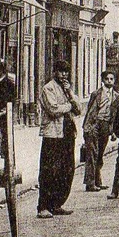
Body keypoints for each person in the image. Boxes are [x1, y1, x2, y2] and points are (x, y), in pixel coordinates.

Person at [37, 60, 81, 218]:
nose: (64, 75)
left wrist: (70, 94)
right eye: (61, 71)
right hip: (53, 134)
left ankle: (57, 203)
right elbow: (53, 109)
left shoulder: (67, 89)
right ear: (55, 72)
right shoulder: (48, 88)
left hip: (68, 133)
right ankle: (43, 206)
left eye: (66, 72)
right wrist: (69, 105)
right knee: (50, 171)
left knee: (67, 170)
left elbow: (79, 109)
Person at [82, 70, 119, 192]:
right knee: (92, 153)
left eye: (111, 79)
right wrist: (87, 127)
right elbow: (89, 111)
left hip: (105, 125)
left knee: (100, 153)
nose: (109, 81)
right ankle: (90, 183)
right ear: (102, 80)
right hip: (94, 124)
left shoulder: (117, 97)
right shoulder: (96, 94)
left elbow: (116, 115)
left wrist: (113, 131)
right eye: (107, 79)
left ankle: (98, 180)